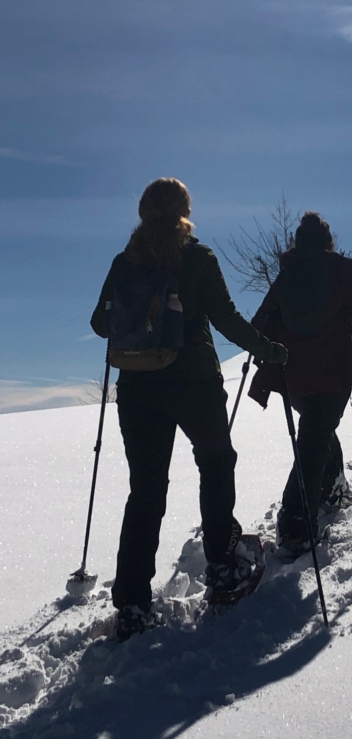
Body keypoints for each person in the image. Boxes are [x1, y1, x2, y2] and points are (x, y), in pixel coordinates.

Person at [91, 178, 287, 640]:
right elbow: (226, 318)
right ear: (184, 211)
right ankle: (222, 566)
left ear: (142, 212)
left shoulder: (125, 261)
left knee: (146, 491)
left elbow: (100, 323)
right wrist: (270, 350)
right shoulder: (197, 256)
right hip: (195, 380)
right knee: (217, 464)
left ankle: (134, 605)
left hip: (138, 390)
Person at [249, 211, 352, 557]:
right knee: (313, 442)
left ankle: (331, 491)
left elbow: (259, 323)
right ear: (328, 242)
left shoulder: (286, 277)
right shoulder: (340, 271)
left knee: (317, 431)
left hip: (292, 377)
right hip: (333, 374)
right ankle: (296, 527)